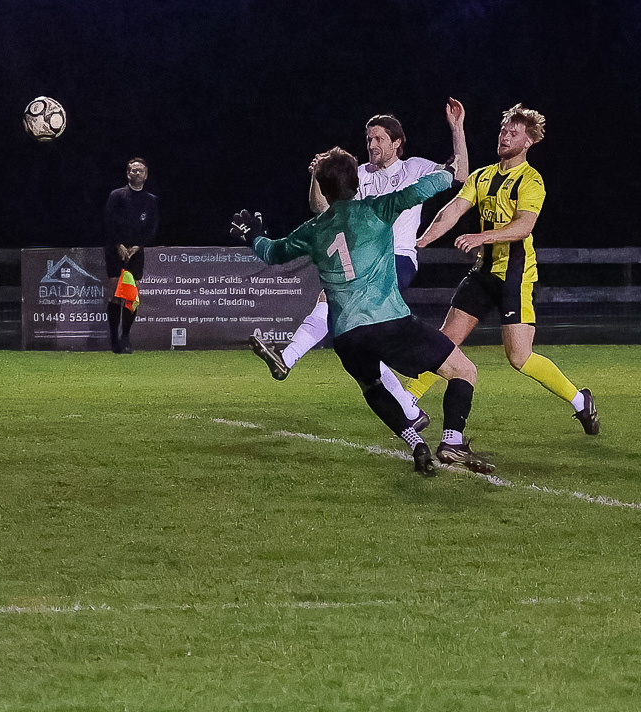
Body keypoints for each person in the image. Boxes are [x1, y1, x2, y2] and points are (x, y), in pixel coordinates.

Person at [232, 140, 489, 477]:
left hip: (347, 337)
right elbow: (430, 186)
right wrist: (447, 172)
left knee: (373, 387)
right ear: (356, 182)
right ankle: (452, 440)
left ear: (324, 188)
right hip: (390, 322)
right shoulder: (376, 208)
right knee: (463, 371)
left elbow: (271, 253)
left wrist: (254, 235)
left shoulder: (312, 230)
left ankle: (416, 443)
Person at [249, 101, 469, 413]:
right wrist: (316, 176)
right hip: (362, 260)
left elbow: (460, 174)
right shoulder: (359, 174)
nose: (372, 144)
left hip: (397, 258)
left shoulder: (414, 168)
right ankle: (408, 408)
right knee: (361, 335)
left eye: (379, 138)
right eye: (368, 139)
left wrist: (457, 128)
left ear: (397, 142)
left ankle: (287, 357)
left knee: (341, 311)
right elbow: (322, 209)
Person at [409, 103, 599, 435]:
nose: (505, 136)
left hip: (516, 276)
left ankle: (580, 400)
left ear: (528, 142)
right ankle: (406, 400)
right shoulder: (482, 176)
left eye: (513, 132)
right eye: (503, 130)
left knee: (519, 358)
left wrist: (482, 236)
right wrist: (421, 241)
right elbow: (452, 210)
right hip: (483, 273)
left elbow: (524, 226)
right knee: (445, 340)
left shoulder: (531, 180)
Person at [104, 158, 158, 354]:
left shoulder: (150, 200)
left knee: (131, 295)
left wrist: (138, 246)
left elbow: (152, 227)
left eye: (140, 171)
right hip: (115, 249)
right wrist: (118, 244)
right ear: (128, 174)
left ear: (146, 175)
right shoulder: (116, 196)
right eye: (132, 170)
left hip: (136, 251)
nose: (136, 173)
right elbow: (108, 222)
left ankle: (125, 337)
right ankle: (113, 339)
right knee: (115, 293)